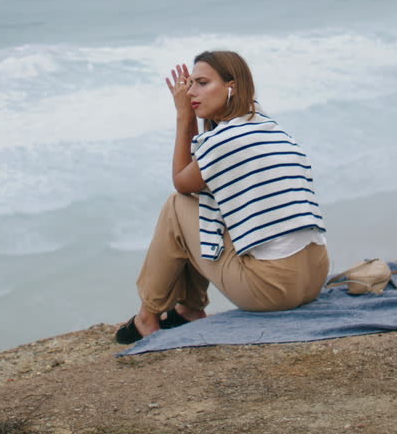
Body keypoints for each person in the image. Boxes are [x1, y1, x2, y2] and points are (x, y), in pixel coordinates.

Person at [116, 50, 329, 344]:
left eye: (202, 83)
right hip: (314, 277)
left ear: (233, 86)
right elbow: (200, 181)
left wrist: (184, 115)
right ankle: (189, 309)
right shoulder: (270, 128)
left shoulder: (225, 141)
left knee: (177, 205)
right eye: (189, 84)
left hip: (273, 290)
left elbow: (183, 182)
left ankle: (147, 316)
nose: (190, 91)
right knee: (206, 206)